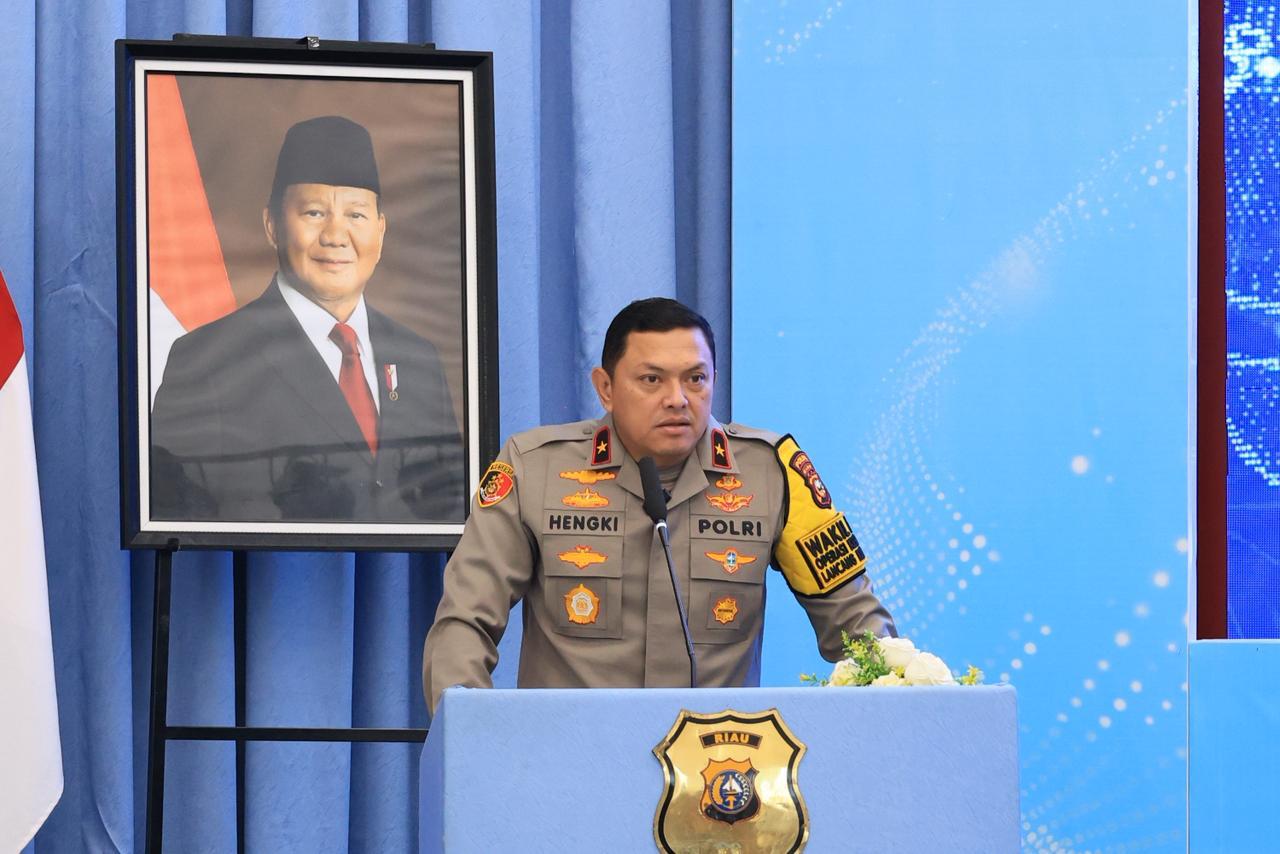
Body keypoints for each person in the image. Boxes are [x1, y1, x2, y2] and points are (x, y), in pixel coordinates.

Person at [422, 297, 895, 713]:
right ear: (605, 388)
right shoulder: (534, 469)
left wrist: (893, 703)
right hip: (568, 760)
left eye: (696, 379)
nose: (677, 399)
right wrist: (470, 735)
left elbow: (858, 626)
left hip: (717, 767)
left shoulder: (773, 474)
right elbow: (465, 621)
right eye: (651, 379)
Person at [150, 115, 465, 523]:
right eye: (315, 213)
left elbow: (450, 510)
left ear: (381, 232)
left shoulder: (419, 360)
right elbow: (175, 518)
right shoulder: (206, 359)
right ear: (272, 226)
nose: (335, 236)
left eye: (356, 215)